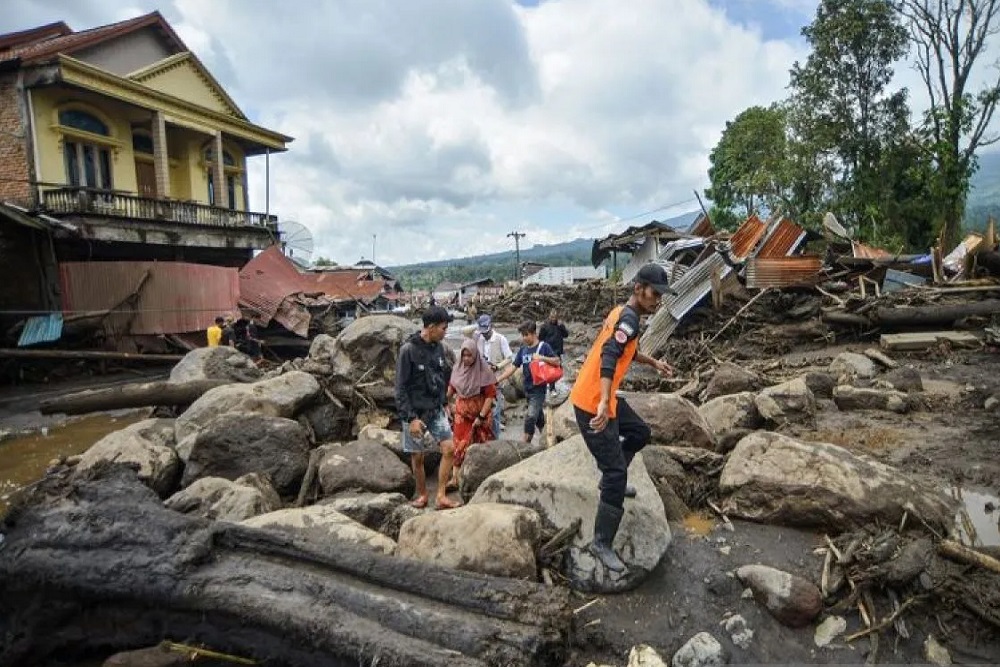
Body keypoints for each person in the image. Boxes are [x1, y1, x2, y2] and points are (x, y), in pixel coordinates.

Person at [569, 264, 676, 573]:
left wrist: (655, 363)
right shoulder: (628, 318)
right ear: (638, 288)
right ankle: (601, 543)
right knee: (618, 473)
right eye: (655, 293)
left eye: (660, 295)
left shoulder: (625, 314)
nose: (657, 300)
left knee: (640, 432)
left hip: (602, 398)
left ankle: (610, 480)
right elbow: (609, 355)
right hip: (592, 404)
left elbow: (628, 349)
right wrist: (604, 401)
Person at [395, 305, 461, 510]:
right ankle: (423, 494)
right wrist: (411, 418)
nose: (445, 331)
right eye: (443, 328)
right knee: (418, 456)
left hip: (435, 410)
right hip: (415, 415)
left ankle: (440, 495)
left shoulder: (439, 348)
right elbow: (400, 388)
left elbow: (440, 378)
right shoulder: (408, 350)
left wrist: (446, 402)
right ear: (430, 327)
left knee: (449, 449)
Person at [496, 320, 560, 444]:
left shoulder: (543, 346)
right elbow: (513, 367)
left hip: (539, 390)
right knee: (539, 417)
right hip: (527, 390)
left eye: (526, 335)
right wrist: (498, 379)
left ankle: (525, 444)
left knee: (530, 417)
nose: (524, 338)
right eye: (522, 335)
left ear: (534, 333)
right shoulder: (523, 350)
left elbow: (557, 361)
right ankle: (548, 439)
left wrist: (541, 357)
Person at [446, 338, 497, 488]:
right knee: (458, 444)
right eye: (464, 355)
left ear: (475, 355)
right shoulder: (457, 369)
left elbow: (489, 396)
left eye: (470, 356)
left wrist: (481, 417)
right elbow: (451, 389)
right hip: (462, 415)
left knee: (480, 445)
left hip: (480, 415)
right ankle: (455, 478)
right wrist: (444, 403)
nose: (467, 359)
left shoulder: (484, 371)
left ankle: (479, 478)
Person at [475, 314, 513, 436]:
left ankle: (495, 433)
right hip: (482, 379)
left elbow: (509, 358)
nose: (484, 335)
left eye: (486, 332)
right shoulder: (479, 339)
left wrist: (497, 366)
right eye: (482, 332)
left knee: (496, 409)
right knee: (485, 407)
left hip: (497, 378)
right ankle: (489, 430)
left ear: (491, 326)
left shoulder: (501, 339)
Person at [538, 310, 569, 393]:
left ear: (557, 318)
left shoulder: (560, 326)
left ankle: (551, 385)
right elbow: (540, 338)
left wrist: (562, 327)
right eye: (552, 317)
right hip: (548, 351)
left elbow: (566, 335)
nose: (553, 319)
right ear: (549, 317)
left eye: (555, 317)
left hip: (558, 350)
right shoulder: (544, 326)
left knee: (557, 369)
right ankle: (551, 388)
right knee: (550, 369)